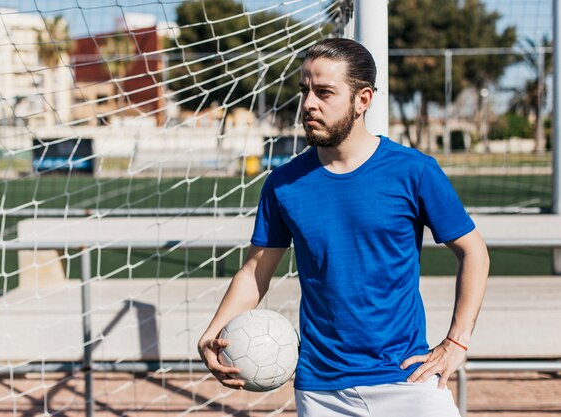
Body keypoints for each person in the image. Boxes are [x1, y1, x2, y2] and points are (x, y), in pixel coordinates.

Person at [198, 38, 489, 417]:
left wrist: (456, 342)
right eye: (305, 90)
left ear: (362, 99)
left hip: (407, 379)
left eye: (324, 93)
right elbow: (256, 271)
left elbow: (474, 252)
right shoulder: (283, 184)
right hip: (321, 390)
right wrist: (214, 330)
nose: (308, 104)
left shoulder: (414, 171)